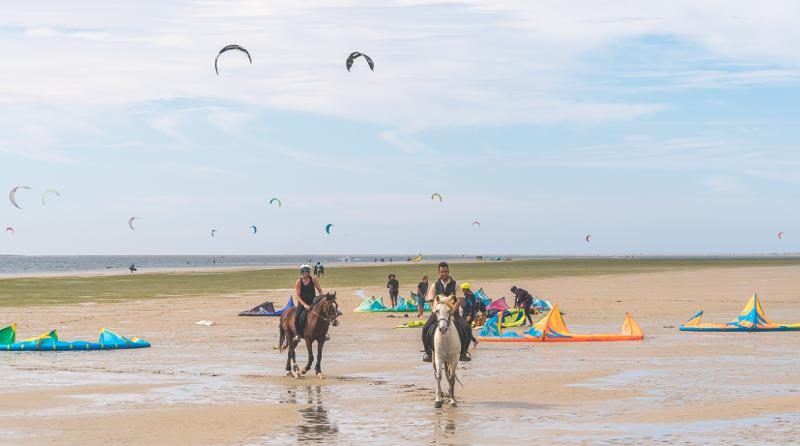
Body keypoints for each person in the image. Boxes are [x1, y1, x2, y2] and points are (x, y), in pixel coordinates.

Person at [421, 262, 476, 363]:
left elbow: (460, 299)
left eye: (446, 271)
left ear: (448, 271)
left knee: (467, 328)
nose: (444, 274)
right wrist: (434, 310)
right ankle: (428, 353)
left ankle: (464, 352)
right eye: (442, 272)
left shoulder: (455, 285)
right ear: (439, 272)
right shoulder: (434, 285)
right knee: (425, 329)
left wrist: (454, 309)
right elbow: (430, 299)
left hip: (453, 313)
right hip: (438, 314)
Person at [293, 264, 324, 343]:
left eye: (306, 271)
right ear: (301, 272)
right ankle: (298, 334)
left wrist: (321, 298)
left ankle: (325, 332)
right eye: (303, 271)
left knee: (323, 313)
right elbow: (298, 296)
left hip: (313, 301)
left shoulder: (313, 279)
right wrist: (304, 305)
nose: (305, 273)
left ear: (308, 272)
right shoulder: (299, 282)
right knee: (297, 316)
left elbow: (320, 290)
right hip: (303, 303)